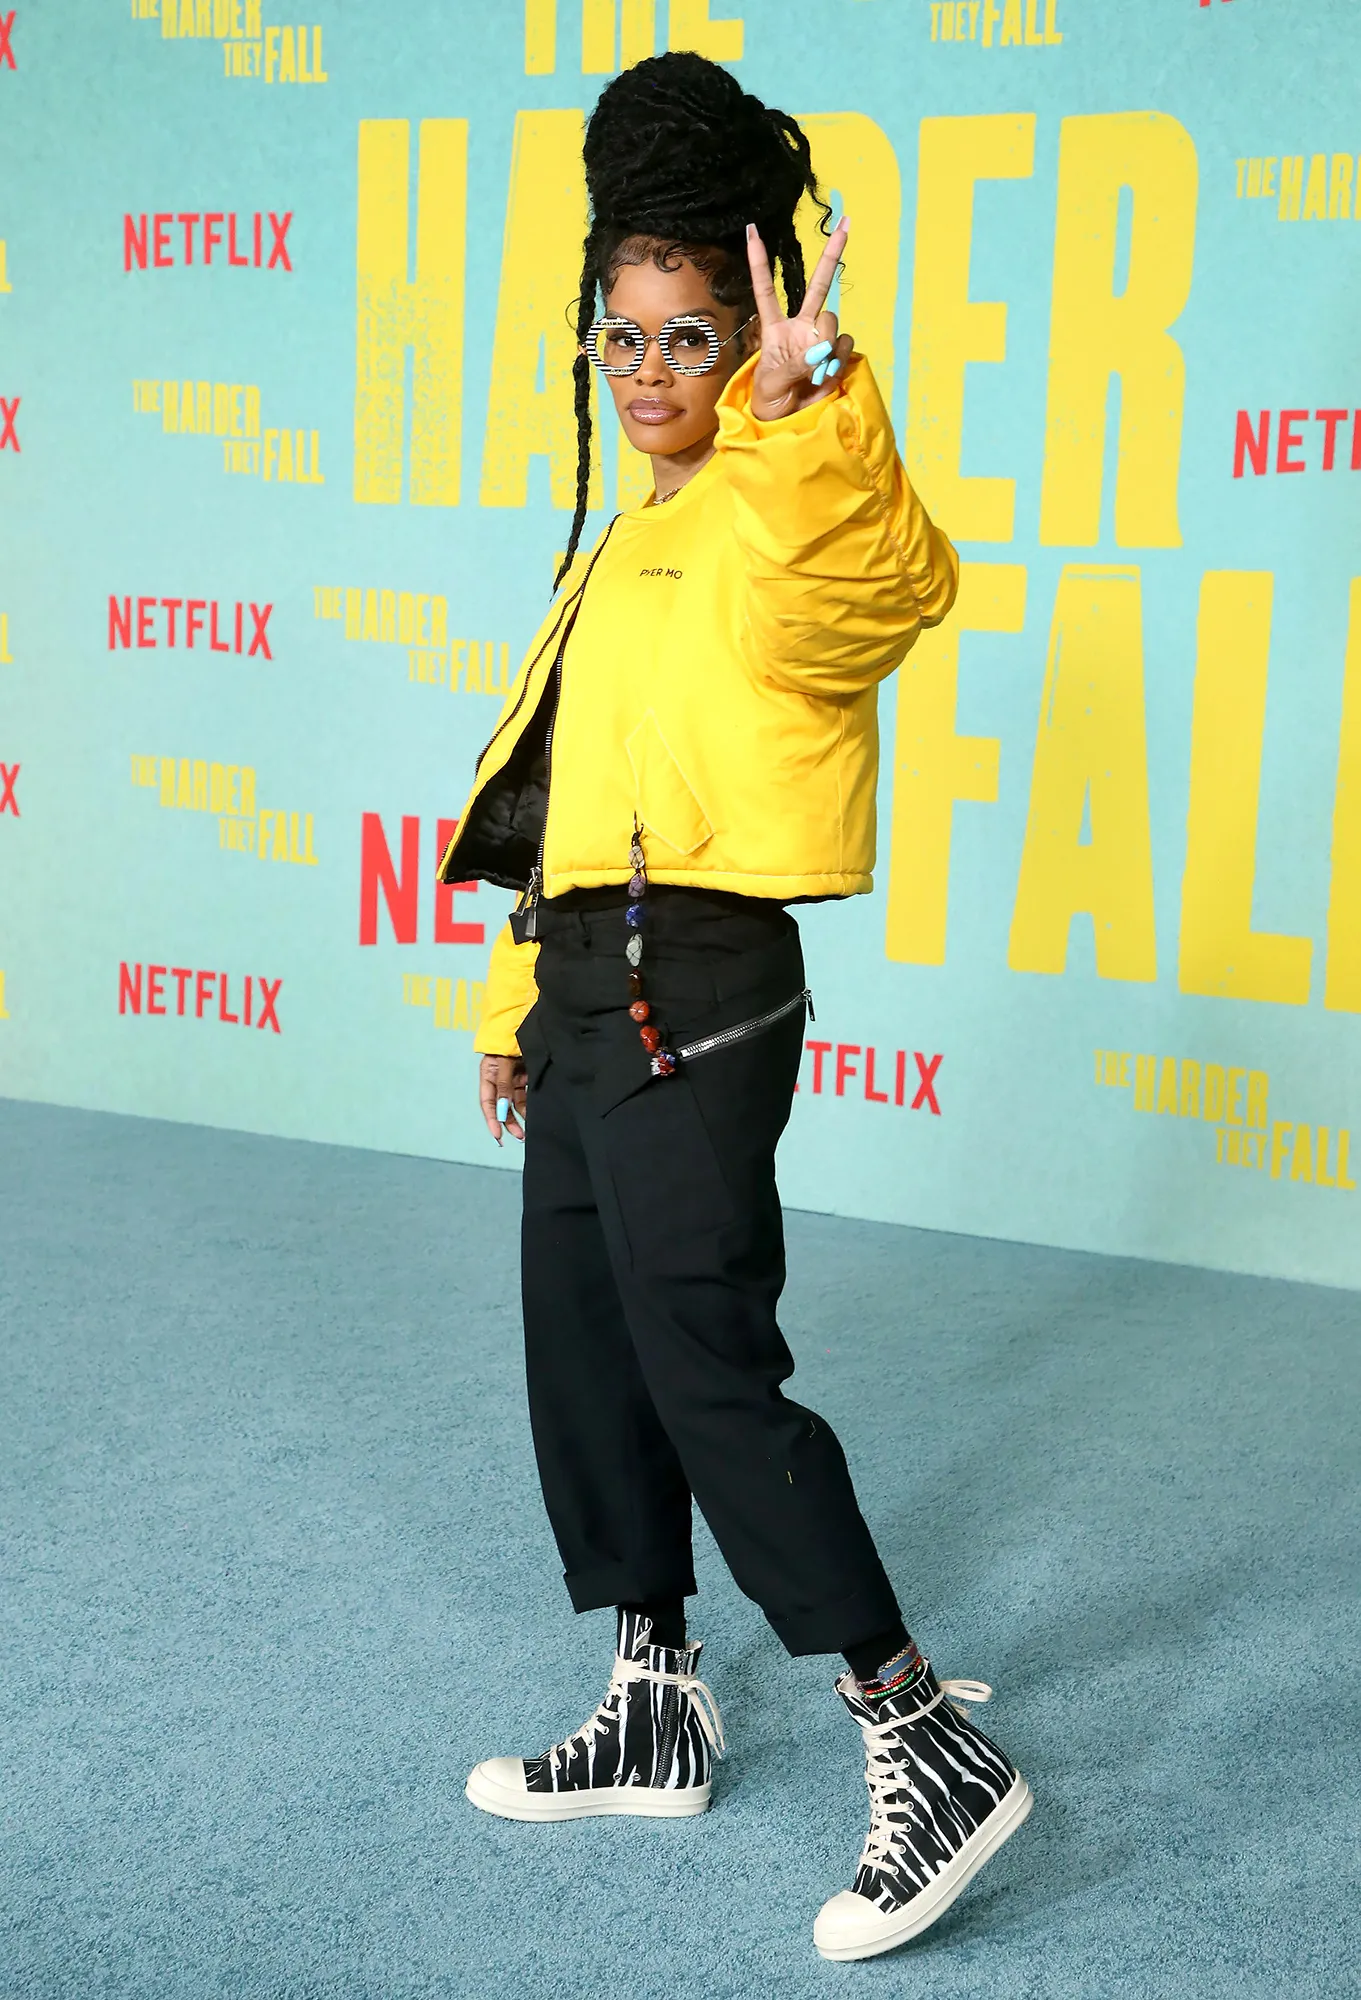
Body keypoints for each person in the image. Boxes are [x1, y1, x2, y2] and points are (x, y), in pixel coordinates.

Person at [437, 52, 1031, 1962]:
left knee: (701, 1361)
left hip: (693, 985)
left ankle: (920, 1732)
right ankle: (655, 1697)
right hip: (585, 985)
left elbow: (892, 587)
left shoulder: (781, 510)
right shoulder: (629, 534)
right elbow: (561, 790)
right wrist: (512, 1000)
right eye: (620, 334)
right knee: (587, 1348)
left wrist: (813, 410)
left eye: (688, 335)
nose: (649, 369)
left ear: (746, 334)